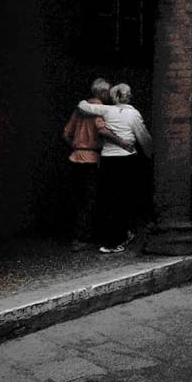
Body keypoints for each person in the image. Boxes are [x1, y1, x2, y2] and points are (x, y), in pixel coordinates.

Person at [77, 83, 152, 253]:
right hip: (126, 159)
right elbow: (144, 137)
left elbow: (82, 106)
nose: (131, 96)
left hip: (108, 159)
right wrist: (151, 154)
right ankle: (117, 239)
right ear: (126, 96)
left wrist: (89, 100)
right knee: (123, 200)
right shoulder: (133, 114)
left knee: (108, 199)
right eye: (130, 93)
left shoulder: (106, 110)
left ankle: (107, 240)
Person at [62, 77, 113, 251]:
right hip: (92, 159)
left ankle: (77, 235)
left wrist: (77, 146)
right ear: (102, 92)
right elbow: (102, 131)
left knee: (78, 198)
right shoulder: (99, 111)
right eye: (108, 92)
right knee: (90, 200)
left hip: (75, 157)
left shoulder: (79, 111)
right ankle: (83, 237)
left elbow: (66, 133)